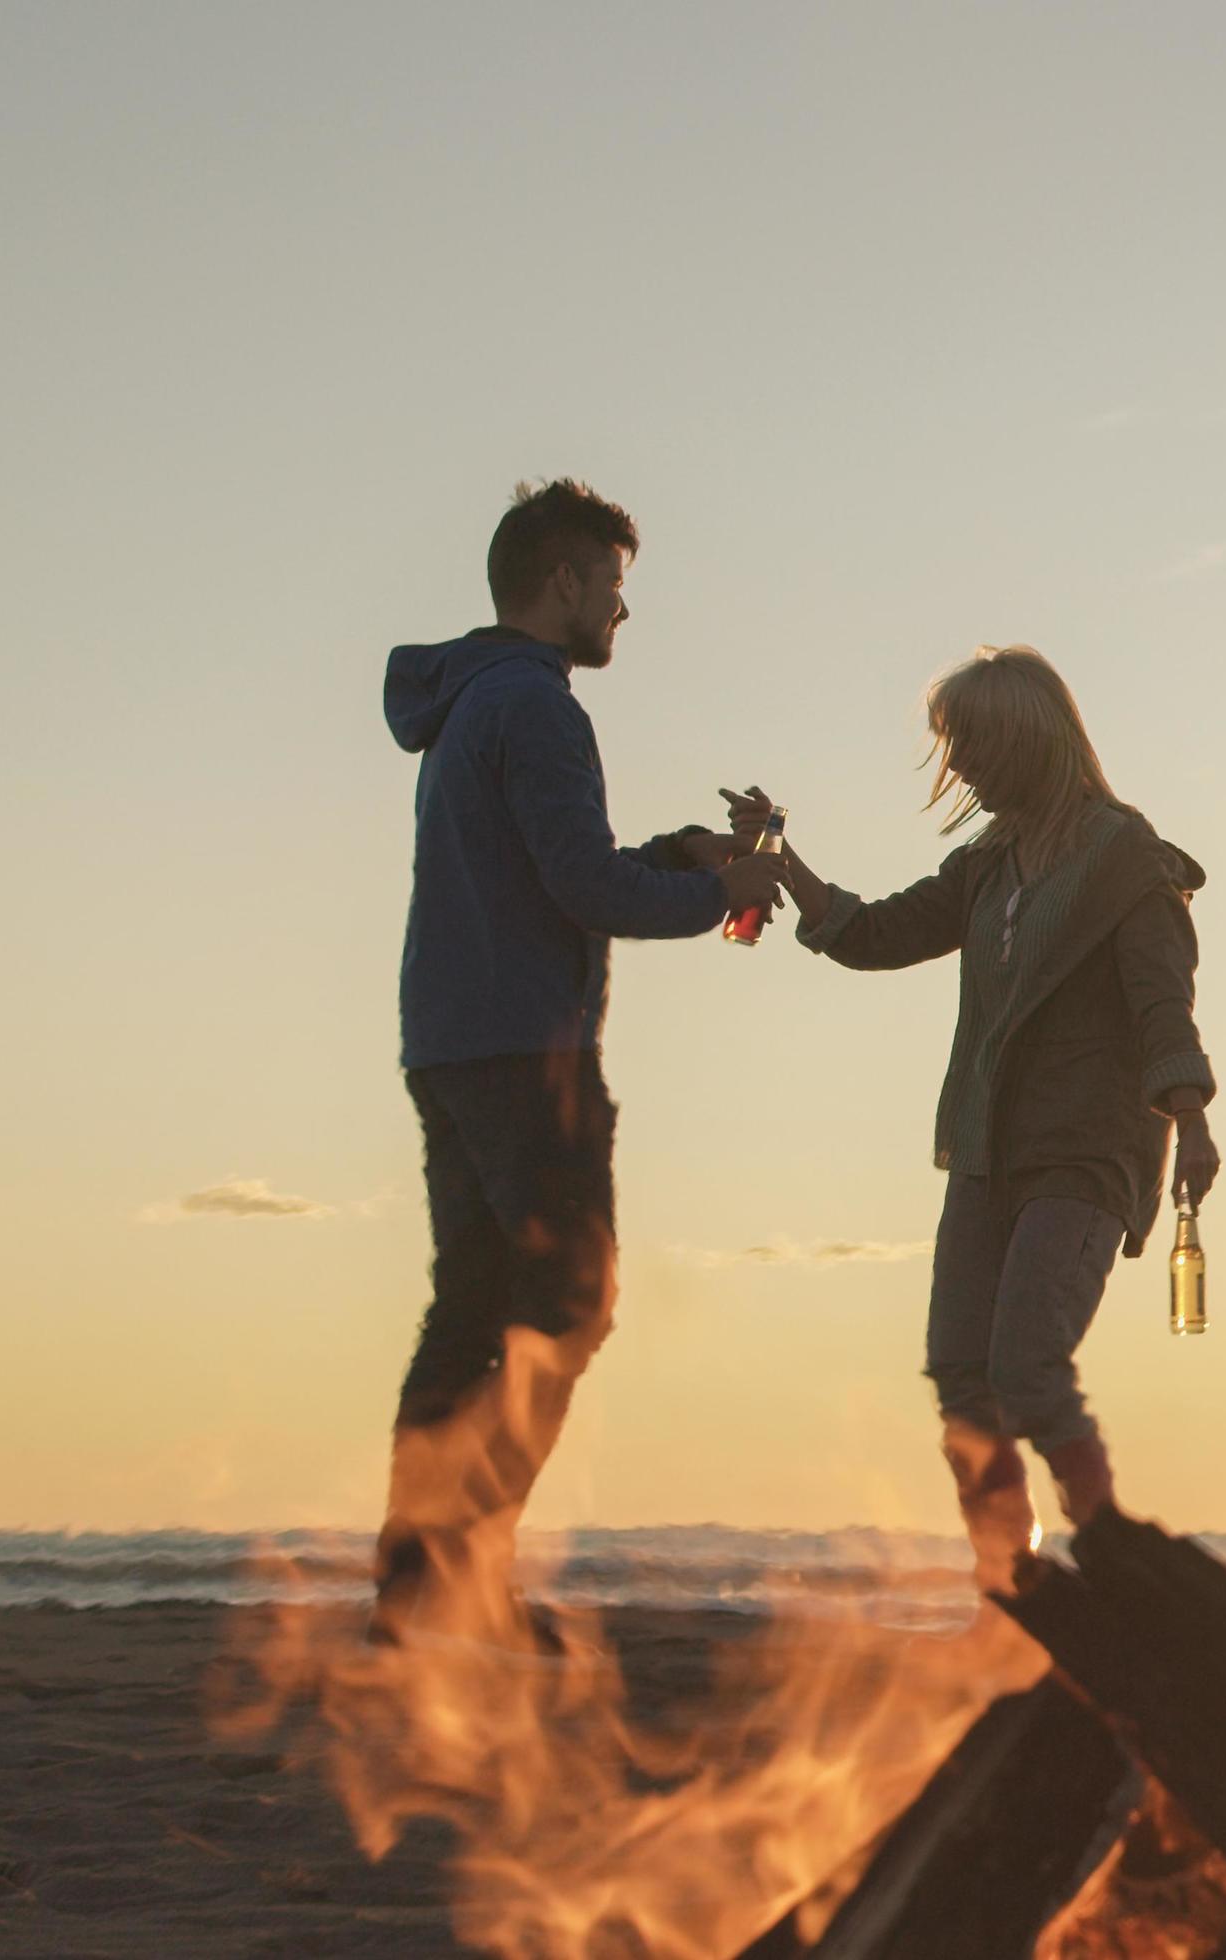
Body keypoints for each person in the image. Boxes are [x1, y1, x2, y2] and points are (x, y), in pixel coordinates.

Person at [375, 478, 780, 1642]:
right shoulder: (539, 708)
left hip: (448, 1041)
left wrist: (681, 852)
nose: (621, 611)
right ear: (564, 582)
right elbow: (586, 890)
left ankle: (417, 1595)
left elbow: (558, 867)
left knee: (469, 1318)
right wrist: (720, 890)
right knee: (567, 1310)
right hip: (522, 1052)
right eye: (613, 585)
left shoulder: (467, 703)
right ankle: (462, 1571)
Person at [738, 647, 1217, 1598]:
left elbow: (1162, 1004)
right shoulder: (986, 867)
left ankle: (1119, 1561)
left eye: (972, 747)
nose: (960, 770)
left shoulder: (1125, 859)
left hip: (1085, 1155)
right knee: (963, 1376)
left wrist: (1191, 1119)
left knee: (1028, 1369)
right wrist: (779, 863)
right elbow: (874, 935)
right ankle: (1013, 1584)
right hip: (986, 1153)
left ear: (1025, 741)